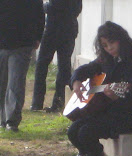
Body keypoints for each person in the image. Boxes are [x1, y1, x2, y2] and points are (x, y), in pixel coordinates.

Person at [65, 21, 132, 156]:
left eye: (112, 43)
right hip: (104, 112)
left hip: (126, 116)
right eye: (105, 45)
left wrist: (116, 96)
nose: (109, 48)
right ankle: (85, 153)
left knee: (86, 131)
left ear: (121, 39)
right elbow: (86, 69)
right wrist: (76, 81)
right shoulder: (106, 59)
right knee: (72, 131)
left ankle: (95, 154)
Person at [0, 0, 45, 131]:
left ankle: (11, 121)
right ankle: (3, 119)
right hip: (5, 42)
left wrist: (37, 37)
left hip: (23, 43)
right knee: (3, 83)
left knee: (16, 82)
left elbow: (39, 14)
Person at [30, 0, 83, 113]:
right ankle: (59, 102)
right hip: (69, 29)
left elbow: (52, 7)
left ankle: (37, 103)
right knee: (64, 66)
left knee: (42, 65)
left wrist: (41, 7)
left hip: (53, 30)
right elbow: (77, 9)